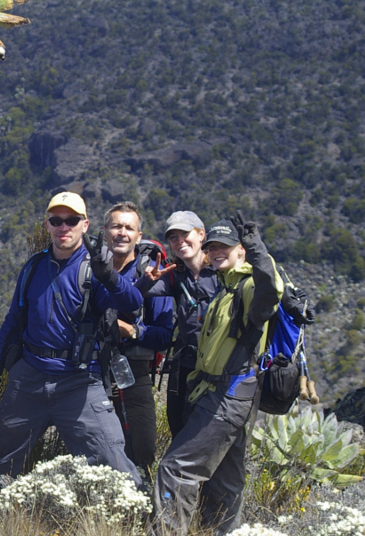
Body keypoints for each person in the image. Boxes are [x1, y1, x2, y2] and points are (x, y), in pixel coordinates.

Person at [0, 192, 144, 503]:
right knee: (0, 461)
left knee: (112, 460)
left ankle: (134, 518)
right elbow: (12, 323)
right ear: (48, 225)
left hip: (80, 382)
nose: (63, 226)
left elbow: (132, 303)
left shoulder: (94, 269)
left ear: (85, 225)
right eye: (56, 220)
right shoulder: (34, 268)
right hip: (29, 379)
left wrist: (109, 276)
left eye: (71, 220)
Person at [153, 212, 283, 536]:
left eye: (225, 245)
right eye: (212, 247)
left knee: (174, 468)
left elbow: (271, 293)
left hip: (227, 398)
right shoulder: (224, 289)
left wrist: (256, 248)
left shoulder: (250, 286)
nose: (216, 251)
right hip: (228, 398)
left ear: (240, 249)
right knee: (225, 482)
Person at [101, 202, 173, 479]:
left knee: (141, 451)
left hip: (135, 376)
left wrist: (132, 331)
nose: (122, 232)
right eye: (116, 226)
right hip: (92, 375)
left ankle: (138, 514)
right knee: (97, 450)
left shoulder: (153, 275)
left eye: (129, 227)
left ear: (139, 236)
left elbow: (165, 335)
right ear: (105, 232)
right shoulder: (90, 271)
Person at [135, 211, 218, 438]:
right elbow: (134, 295)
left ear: (201, 235)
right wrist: (146, 279)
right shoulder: (175, 275)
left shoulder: (221, 271)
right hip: (185, 364)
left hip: (217, 367)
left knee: (208, 433)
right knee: (179, 426)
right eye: (173, 237)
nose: (180, 241)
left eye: (185, 233)